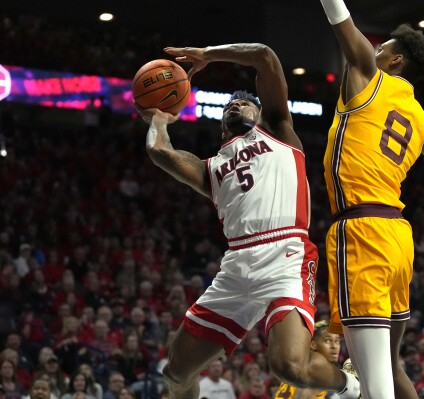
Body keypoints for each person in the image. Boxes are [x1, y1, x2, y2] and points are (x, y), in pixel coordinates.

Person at [136, 43, 361, 399]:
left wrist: (207, 54)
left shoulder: (277, 130)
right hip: (237, 265)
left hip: (285, 255)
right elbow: (158, 151)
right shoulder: (210, 169)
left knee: (289, 367)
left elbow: (265, 55)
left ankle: (351, 386)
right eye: (230, 105)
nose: (237, 106)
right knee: (176, 374)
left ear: (260, 114)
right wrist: (160, 119)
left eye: (246, 104)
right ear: (221, 125)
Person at [318, 1, 424, 398]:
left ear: (396, 59)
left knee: (377, 384)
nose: (376, 50)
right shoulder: (423, 120)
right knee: (384, 369)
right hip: (398, 239)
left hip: (362, 229)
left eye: (382, 48)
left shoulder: (369, 75)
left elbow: (340, 19)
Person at [274, 320, 341, 399]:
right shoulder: (312, 373)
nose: (334, 346)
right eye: (327, 340)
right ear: (313, 345)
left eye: (337, 341)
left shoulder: (301, 369)